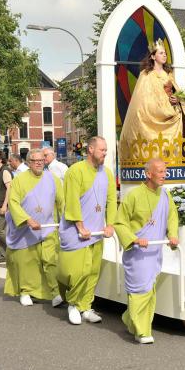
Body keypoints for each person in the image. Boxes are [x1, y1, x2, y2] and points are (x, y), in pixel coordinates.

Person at [114, 158, 178, 344]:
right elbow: (120, 223)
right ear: (148, 174)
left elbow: (172, 217)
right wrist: (133, 239)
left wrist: (172, 235)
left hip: (155, 253)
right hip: (137, 253)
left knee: (149, 291)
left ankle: (130, 319)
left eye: (165, 171)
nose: (164, 175)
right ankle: (142, 331)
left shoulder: (166, 195)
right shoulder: (133, 195)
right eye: (160, 171)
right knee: (140, 290)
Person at [57, 136, 117, 325]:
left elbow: (112, 201)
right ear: (90, 149)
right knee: (77, 272)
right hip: (78, 232)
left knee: (92, 272)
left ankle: (85, 306)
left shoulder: (107, 173)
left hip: (97, 233)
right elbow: (72, 201)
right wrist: (80, 226)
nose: (105, 153)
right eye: (102, 150)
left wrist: (110, 224)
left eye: (106, 150)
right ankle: (73, 304)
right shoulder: (75, 171)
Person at [119, 39, 185, 160]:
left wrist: (178, 99)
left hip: (174, 114)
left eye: (165, 53)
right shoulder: (146, 75)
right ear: (153, 56)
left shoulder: (168, 74)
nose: (164, 55)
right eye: (161, 53)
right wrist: (166, 104)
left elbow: (176, 92)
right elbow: (144, 100)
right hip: (156, 115)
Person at [4, 149, 64, 307]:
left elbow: (62, 201)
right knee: (27, 262)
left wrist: (68, 220)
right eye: (35, 160)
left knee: (51, 259)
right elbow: (14, 203)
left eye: (41, 160)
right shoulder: (19, 180)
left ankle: (55, 292)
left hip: (48, 227)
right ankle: (25, 291)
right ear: (29, 163)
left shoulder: (53, 178)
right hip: (26, 229)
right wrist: (27, 220)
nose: (38, 162)